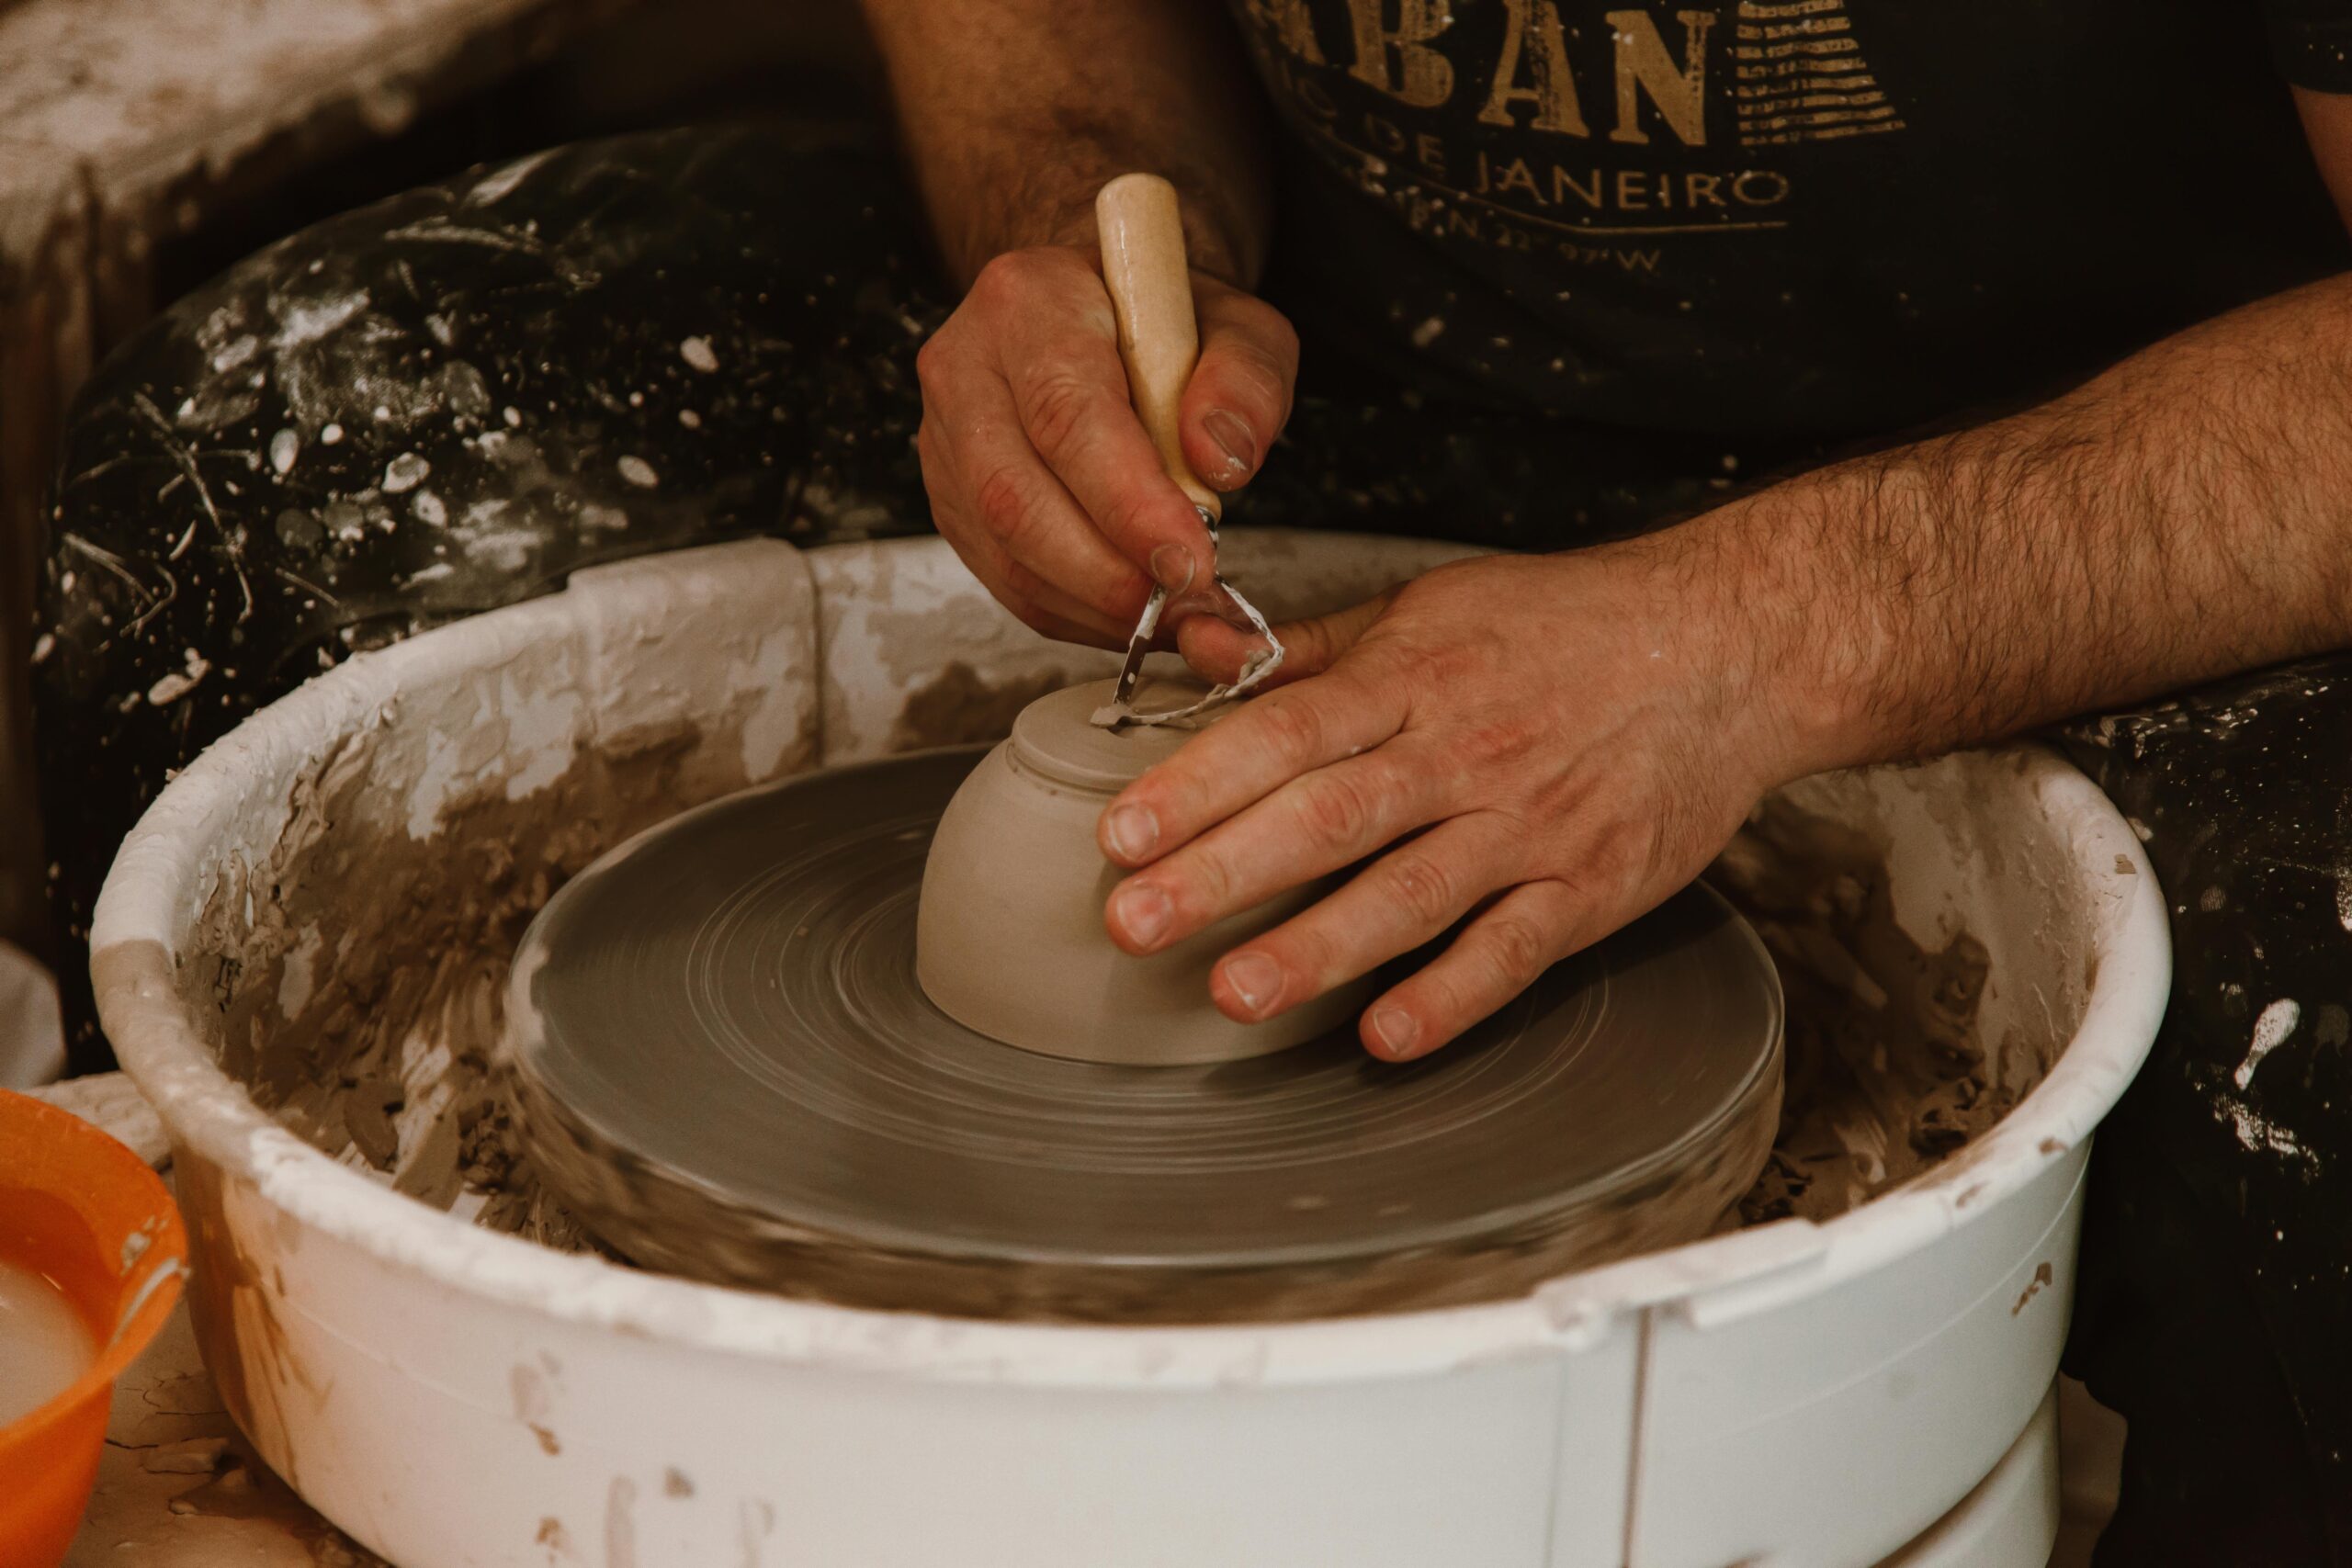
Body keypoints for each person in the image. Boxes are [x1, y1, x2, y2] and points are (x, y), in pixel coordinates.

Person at [32, 4, 2352, 1558]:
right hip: (1343, 371)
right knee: (273, 484)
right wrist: (1089, 239)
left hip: (2065, 446)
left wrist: (1771, 627)